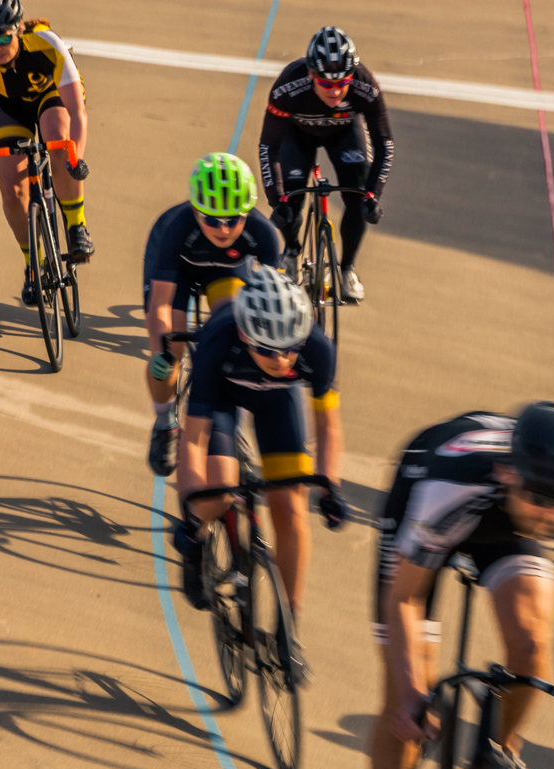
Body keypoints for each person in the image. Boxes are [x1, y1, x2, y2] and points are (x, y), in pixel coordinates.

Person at [368, 404, 554, 769]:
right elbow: (404, 598)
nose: (548, 516)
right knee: (404, 711)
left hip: (504, 523)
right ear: (508, 473)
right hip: (430, 499)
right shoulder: (450, 488)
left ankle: (495, 757)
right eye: (539, 499)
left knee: (530, 644)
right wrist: (409, 693)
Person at [170, 267, 347, 677]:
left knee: (291, 512)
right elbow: (194, 439)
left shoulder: (318, 349)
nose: (282, 359)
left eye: (290, 348)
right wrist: (193, 510)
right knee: (216, 493)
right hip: (221, 404)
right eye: (268, 351)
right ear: (246, 336)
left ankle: (289, 628)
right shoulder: (219, 340)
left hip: (278, 406)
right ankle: (197, 545)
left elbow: (329, 426)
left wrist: (330, 487)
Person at [143, 153, 279, 476]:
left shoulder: (264, 233)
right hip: (179, 271)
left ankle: (234, 424)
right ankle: (164, 423)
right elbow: (160, 302)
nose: (222, 228)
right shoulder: (178, 228)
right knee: (169, 356)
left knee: (240, 342)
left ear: (248, 213)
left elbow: (275, 299)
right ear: (195, 211)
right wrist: (163, 348)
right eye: (212, 219)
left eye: (233, 219)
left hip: (227, 272)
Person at [0, 0, 93, 305]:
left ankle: (77, 226)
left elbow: (77, 112)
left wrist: (77, 158)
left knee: (59, 140)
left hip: (50, 94)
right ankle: (33, 263)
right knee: (10, 187)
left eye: (4, 38)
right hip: (8, 106)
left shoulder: (46, 43)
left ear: (18, 29)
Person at [258, 26, 393, 303]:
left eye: (343, 82)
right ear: (311, 75)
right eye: (327, 84)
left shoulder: (365, 85)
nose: (336, 90)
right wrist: (276, 200)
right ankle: (293, 251)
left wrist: (372, 195)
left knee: (357, 196)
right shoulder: (288, 87)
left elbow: (385, 144)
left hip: (344, 133)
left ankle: (346, 269)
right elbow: (268, 147)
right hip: (297, 135)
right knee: (289, 199)